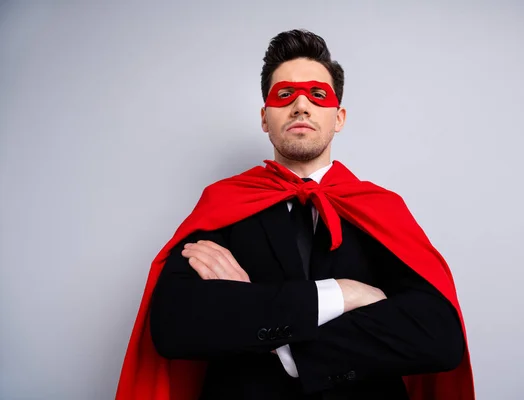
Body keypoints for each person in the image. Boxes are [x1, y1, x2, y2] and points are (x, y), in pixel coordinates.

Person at [115, 29, 475, 400]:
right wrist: (342, 294)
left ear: (338, 117)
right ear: (264, 118)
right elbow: (173, 323)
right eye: (284, 95)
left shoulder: (382, 208)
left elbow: (439, 336)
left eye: (318, 95)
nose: (301, 105)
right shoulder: (223, 203)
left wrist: (279, 337)